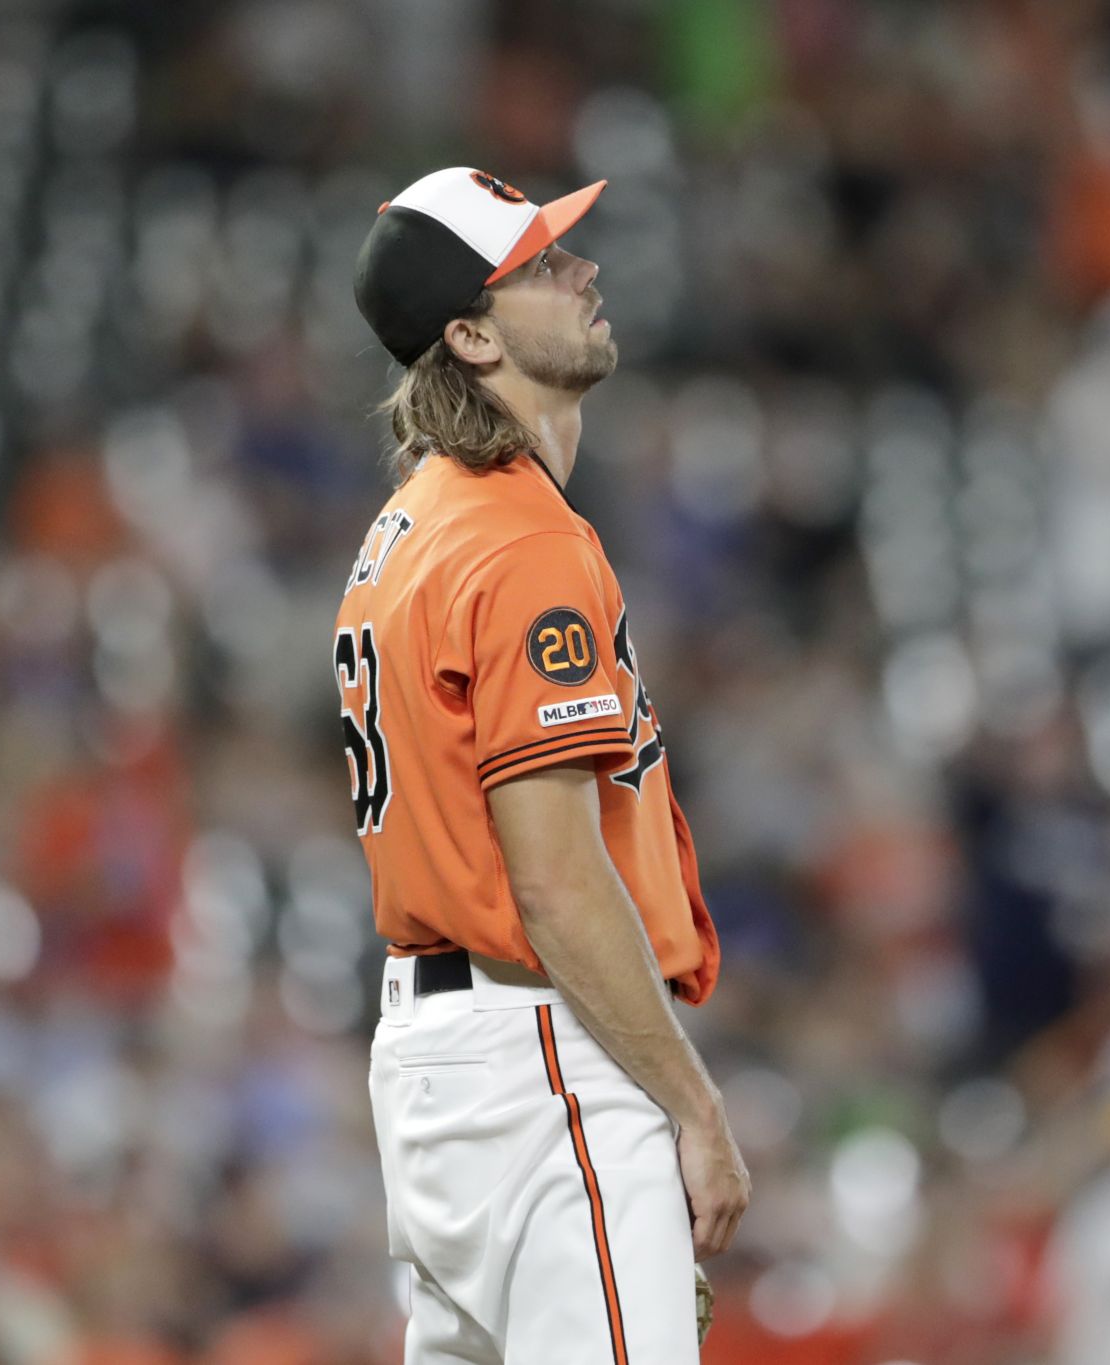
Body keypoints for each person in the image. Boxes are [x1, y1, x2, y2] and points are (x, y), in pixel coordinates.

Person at [336, 166, 748, 1364]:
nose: (585, 271)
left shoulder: (411, 525)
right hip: (545, 1056)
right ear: (470, 334)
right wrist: (690, 1106)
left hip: (441, 1067)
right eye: (539, 267)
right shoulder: (519, 544)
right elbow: (558, 883)